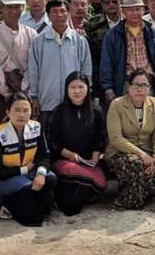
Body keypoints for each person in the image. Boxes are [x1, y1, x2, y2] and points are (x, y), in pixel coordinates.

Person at [0, 92, 57, 225]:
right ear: (8, 112)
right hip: (2, 179)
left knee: (50, 178)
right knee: (32, 218)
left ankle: (29, 204)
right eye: (17, 110)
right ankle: (7, 203)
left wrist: (41, 173)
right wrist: (23, 170)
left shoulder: (36, 127)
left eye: (25, 110)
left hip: (29, 174)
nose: (21, 115)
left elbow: (44, 156)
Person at [105, 70, 155, 209]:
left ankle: (132, 190)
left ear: (150, 88)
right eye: (136, 85)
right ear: (128, 86)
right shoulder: (117, 105)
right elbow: (116, 138)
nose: (140, 89)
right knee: (136, 165)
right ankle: (132, 201)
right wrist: (140, 154)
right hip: (120, 153)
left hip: (147, 152)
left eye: (144, 85)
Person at [0, 0, 37, 143]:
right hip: (0, 94)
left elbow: (33, 65)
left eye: (17, 6)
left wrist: (23, 89)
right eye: (9, 7)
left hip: (24, 93)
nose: (14, 11)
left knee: (25, 134)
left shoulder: (31, 34)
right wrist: (6, 92)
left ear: (23, 8)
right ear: (2, 8)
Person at [48, 72, 107, 216]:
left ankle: (82, 191)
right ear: (66, 89)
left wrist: (94, 158)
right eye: (73, 87)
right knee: (71, 204)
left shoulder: (97, 112)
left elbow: (99, 139)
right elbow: (52, 141)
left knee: (100, 182)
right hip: (65, 161)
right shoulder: (58, 111)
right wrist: (69, 155)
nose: (77, 91)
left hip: (87, 163)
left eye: (81, 87)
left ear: (88, 88)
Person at [29, 0, 92, 125]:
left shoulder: (79, 40)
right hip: (47, 101)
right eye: (55, 12)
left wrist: (85, 94)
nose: (59, 15)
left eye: (63, 11)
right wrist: (34, 96)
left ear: (68, 13)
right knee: (48, 135)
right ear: (48, 15)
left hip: (74, 101)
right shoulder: (39, 41)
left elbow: (86, 70)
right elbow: (33, 71)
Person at [101, 0, 155, 107]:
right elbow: (106, 63)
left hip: (148, 83)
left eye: (138, 9)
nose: (134, 13)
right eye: (130, 10)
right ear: (123, 11)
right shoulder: (113, 35)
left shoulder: (152, 33)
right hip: (125, 84)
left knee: (147, 116)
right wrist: (108, 88)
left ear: (143, 10)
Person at [85, 0, 122, 100]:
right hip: (99, 80)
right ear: (102, 4)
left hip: (123, 79)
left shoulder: (128, 23)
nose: (111, 4)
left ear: (120, 2)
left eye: (114, 1)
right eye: (107, 2)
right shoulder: (92, 25)